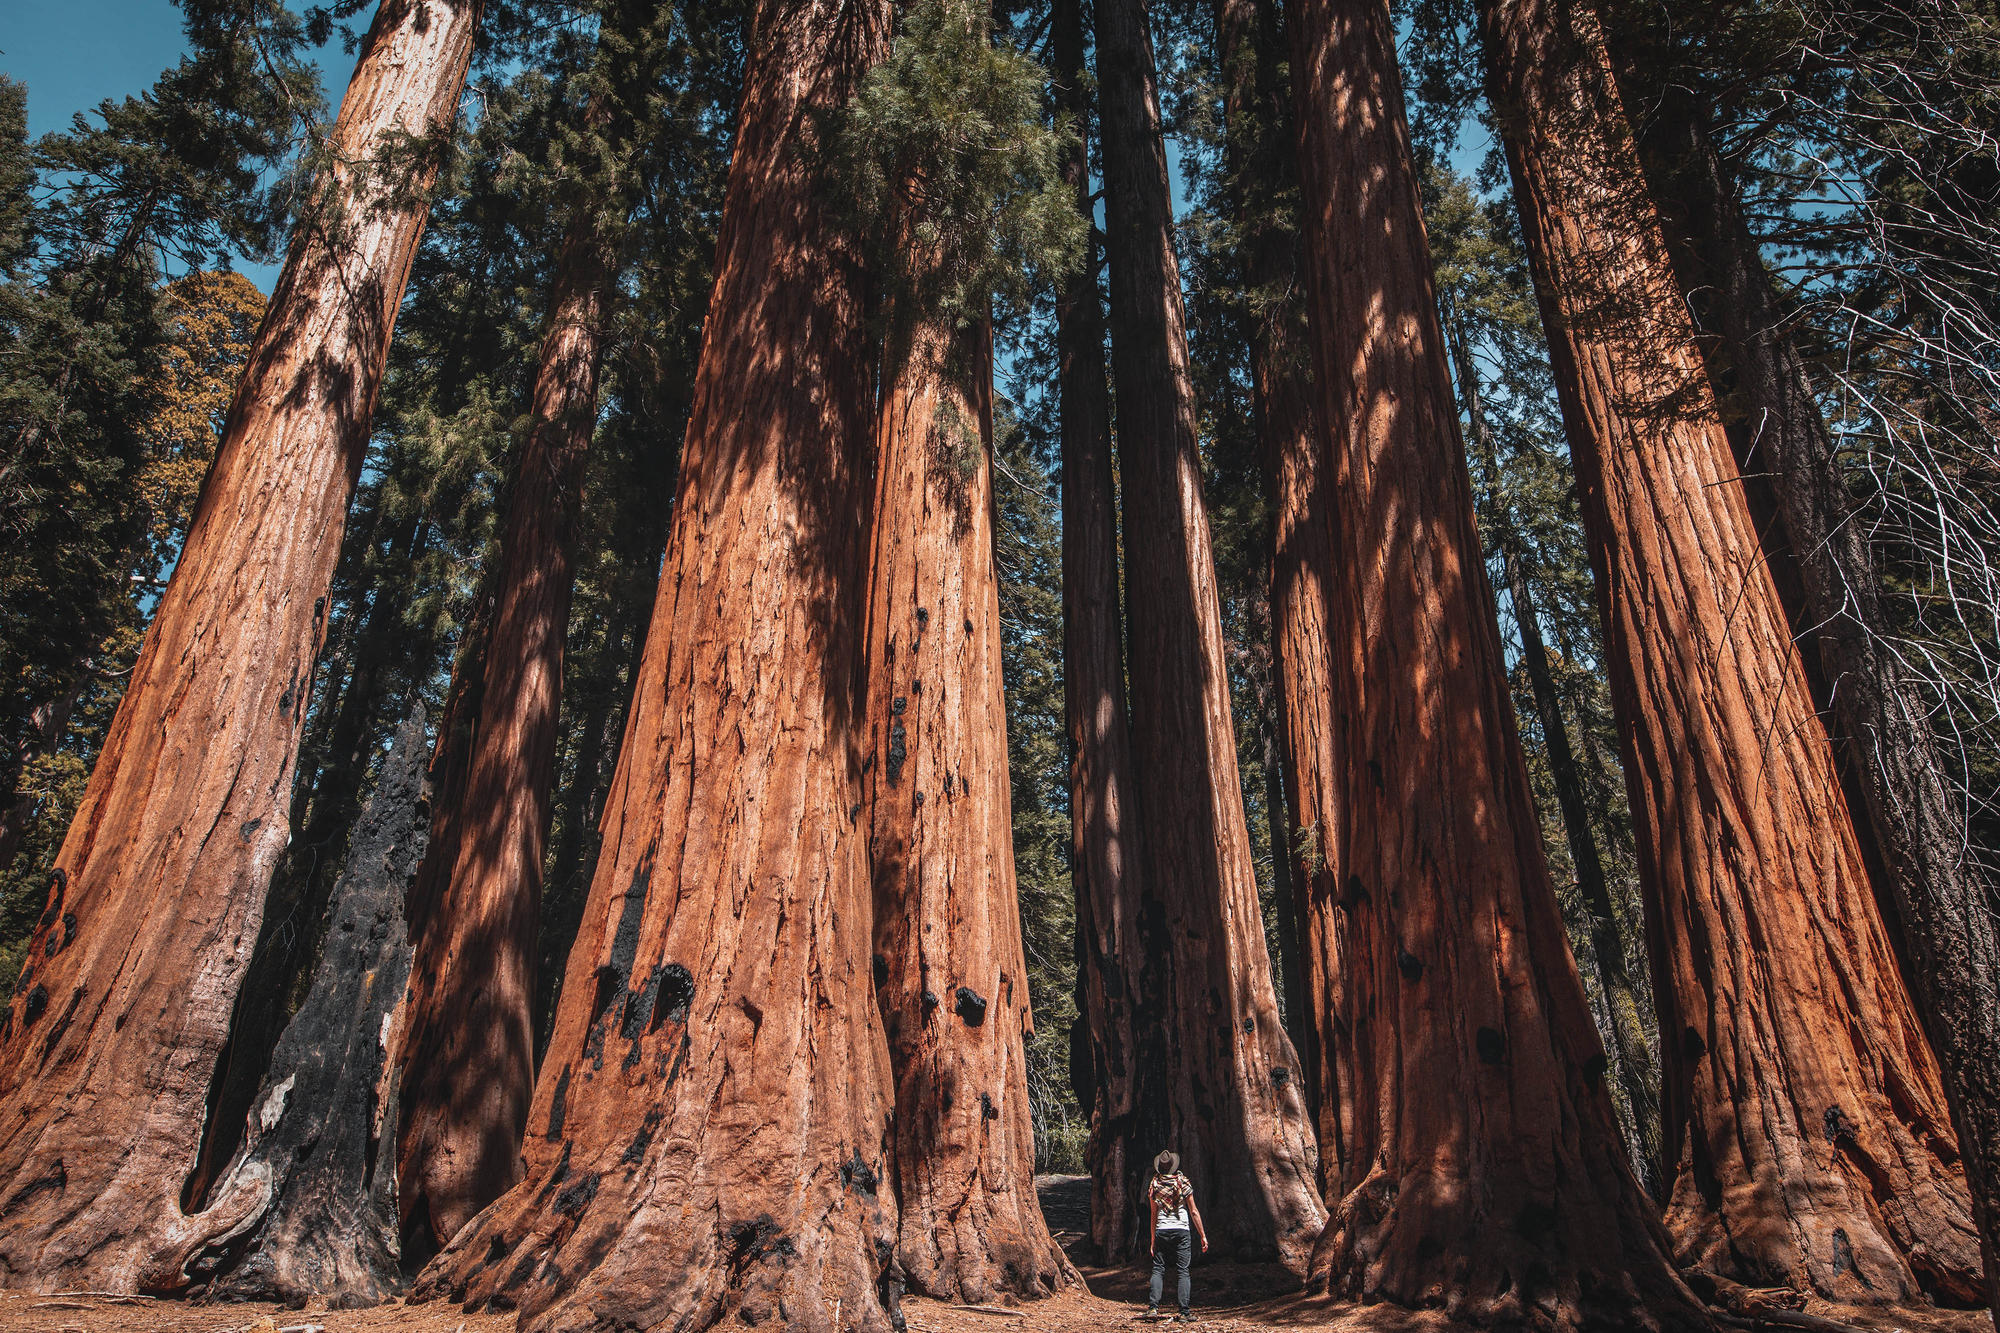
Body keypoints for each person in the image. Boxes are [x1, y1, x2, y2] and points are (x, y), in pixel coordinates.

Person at [1146, 1150, 1207, 1321]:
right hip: (1181, 1230)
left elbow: (1153, 1213)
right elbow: (1193, 1211)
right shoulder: (1183, 1182)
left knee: (1158, 1269)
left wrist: (1152, 1238)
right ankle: (1184, 1312)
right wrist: (1202, 1234)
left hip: (1161, 1230)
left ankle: (1153, 1309)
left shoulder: (1155, 1184)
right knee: (1183, 1271)